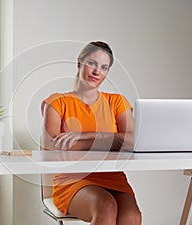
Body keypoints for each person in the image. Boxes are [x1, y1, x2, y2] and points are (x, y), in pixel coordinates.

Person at [41, 41, 141, 225]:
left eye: (104, 68)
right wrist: (113, 141)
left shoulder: (116, 102)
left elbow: (135, 141)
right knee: (106, 206)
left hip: (113, 177)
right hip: (72, 179)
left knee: (132, 217)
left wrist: (85, 136)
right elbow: (52, 147)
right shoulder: (57, 102)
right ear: (79, 62)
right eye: (92, 64)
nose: (97, 72)